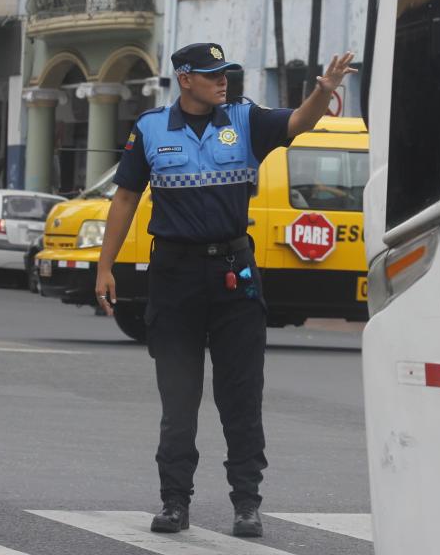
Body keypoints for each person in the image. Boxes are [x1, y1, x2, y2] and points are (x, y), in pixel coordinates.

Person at [95, 43, 357, 537]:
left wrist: (324, 91)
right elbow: (126, 197)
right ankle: (175, 502)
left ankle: (246, 503)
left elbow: (298, 122)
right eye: (213, 75)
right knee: (179, 398)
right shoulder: (150, 128)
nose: (224, 82)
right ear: (185, 78)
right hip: (173, 279)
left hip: (235, 275)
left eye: (227, 75)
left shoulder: (246, 119)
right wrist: (104, 267)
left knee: (241, 395)